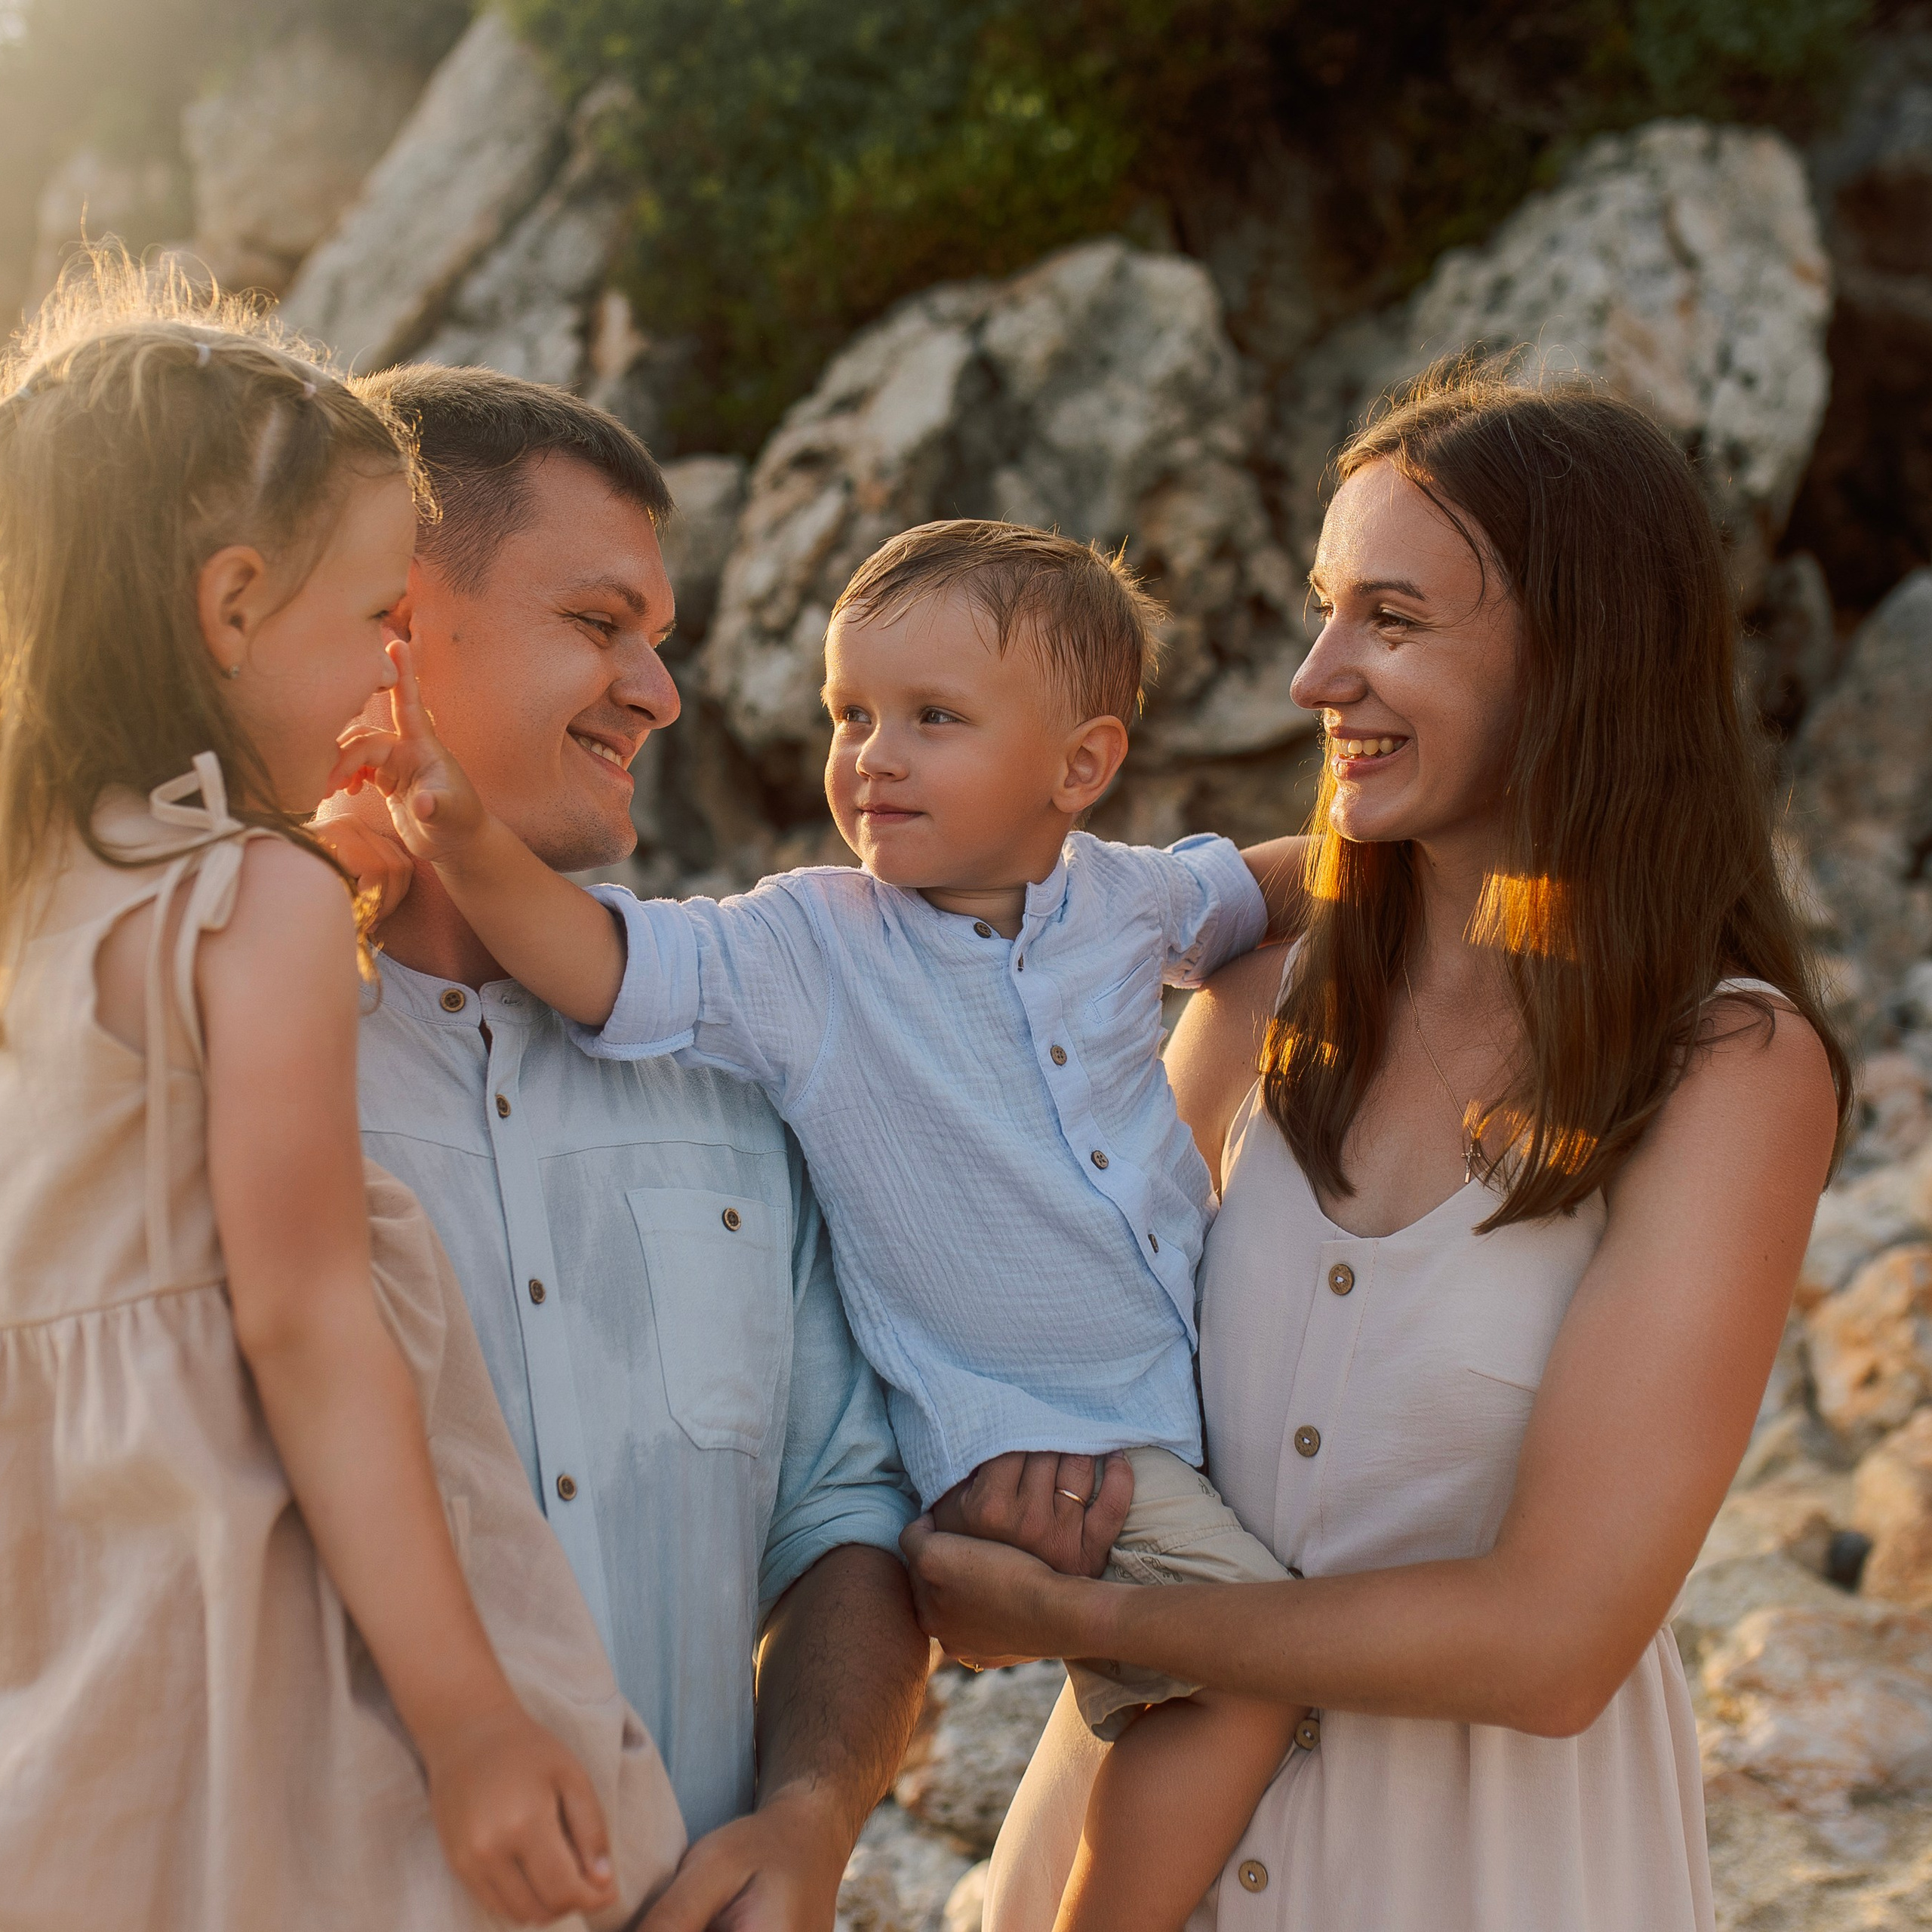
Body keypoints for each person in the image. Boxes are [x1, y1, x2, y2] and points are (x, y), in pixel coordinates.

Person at [896, 371, 1854, 1932]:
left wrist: (1093, 1611)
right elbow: (1089, 1355)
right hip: (1125, 1865)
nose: (1311, 674)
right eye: (1325, 606)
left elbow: (1551, 1642)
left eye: (1389, 620)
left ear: (1576, 658)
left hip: (1486, 1877)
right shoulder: (1268, 983)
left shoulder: (1724, 1071)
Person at [332, 514, 1315, 1932]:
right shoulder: (804, 947)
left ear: (1081, 766)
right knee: (1248, 1673)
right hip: (1045, 1437)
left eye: (933, 718)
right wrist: (461, 830)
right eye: (850, 714)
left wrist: (1404, 869)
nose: (874, 756)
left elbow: (1270, 884)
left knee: (1214, 1692)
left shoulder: (1127, 898)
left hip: (1177, 1409)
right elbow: (602, 963)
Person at [0, 263, 683, 1928]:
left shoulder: (41, 897)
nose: (394, 662)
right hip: (260, 1600)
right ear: (232, 609)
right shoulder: (260, 902)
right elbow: (304, 1314)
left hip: (70, 1590)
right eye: (378, 617)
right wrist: (466, 1722)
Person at [315, 363, 933, 1932]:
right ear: (394, 628)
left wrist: (809, 1818)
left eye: (658, 640)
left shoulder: (741, 1058)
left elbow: (845, 1520)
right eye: (599, 625)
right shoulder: (218, 1062)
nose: (657, 692)